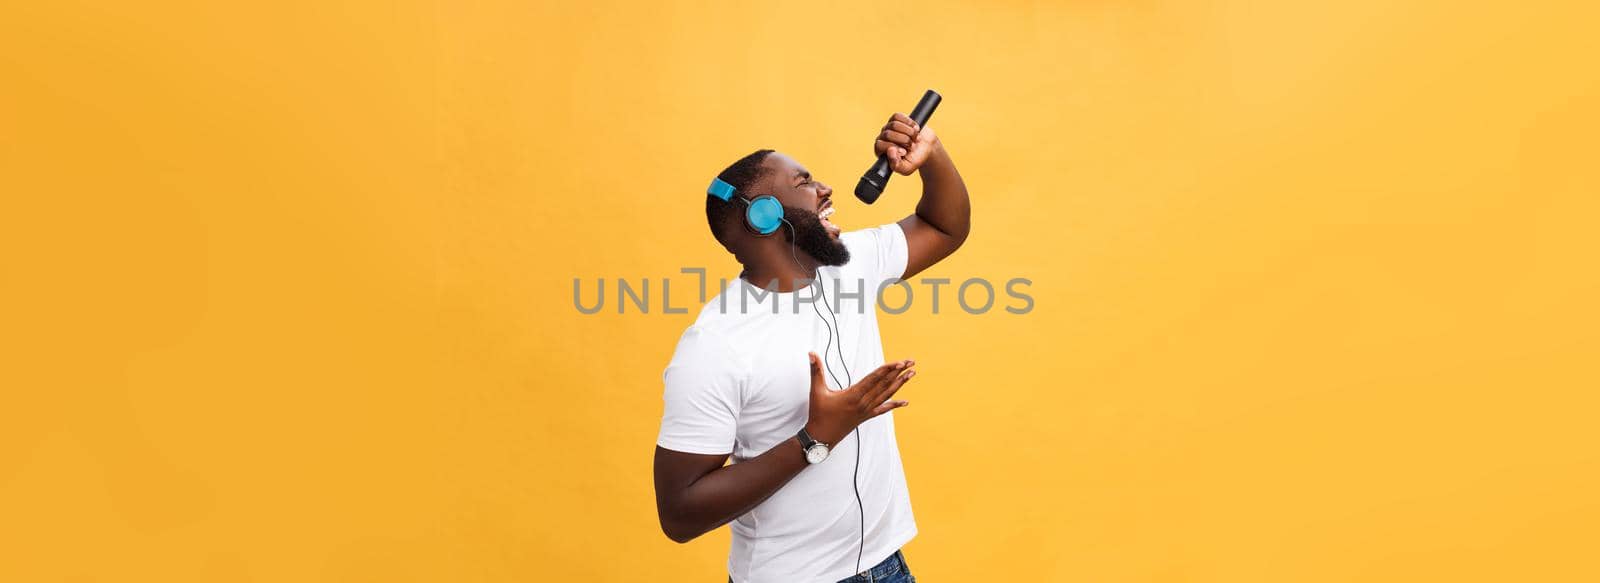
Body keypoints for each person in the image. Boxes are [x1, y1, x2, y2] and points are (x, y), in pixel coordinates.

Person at [653, 110, 970, 583]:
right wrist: (814, 438)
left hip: (887, 565)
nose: (825, 189)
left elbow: (945, 227)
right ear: (764, 216)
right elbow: (679, 514)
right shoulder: (716, 346)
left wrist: (932, 156)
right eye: (804, 181)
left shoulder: (850, 265)